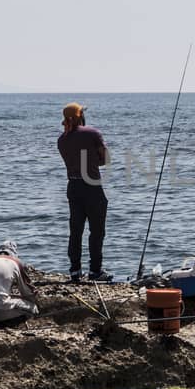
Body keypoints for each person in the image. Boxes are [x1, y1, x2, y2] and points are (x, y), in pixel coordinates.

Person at [57, 101, 110, 281]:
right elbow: (106, 159)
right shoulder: (92, 133)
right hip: (92, 186)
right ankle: (95, 271)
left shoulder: (62, 140)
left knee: (76, 230)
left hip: (73, 187)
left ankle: (75, 271)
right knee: (97, 231)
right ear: (81, 116)